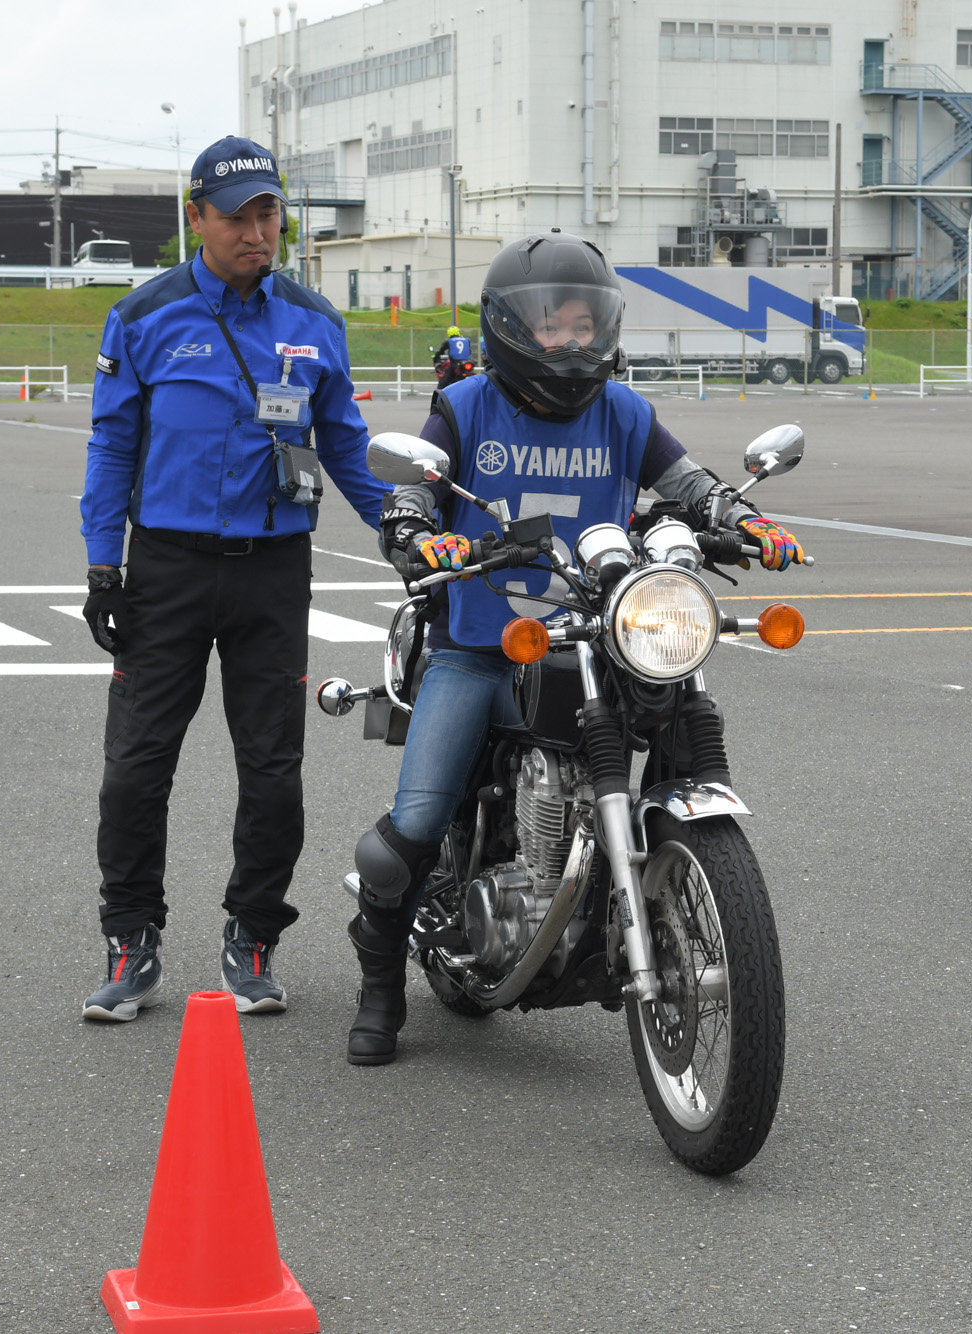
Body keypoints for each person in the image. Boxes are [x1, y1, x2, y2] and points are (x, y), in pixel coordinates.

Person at [341, 229, 804, 1065]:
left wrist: (745, 520)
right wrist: (417, 529)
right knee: (415, 822)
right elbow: (416, 485)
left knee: (682, 707)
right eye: (553, 325)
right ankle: (379, 985)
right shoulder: (469, 404)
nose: (572, 340)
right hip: (485, 643)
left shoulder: (624, 411)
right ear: (512, 328)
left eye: (586, 324)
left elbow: (688, 484)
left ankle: (658, 899)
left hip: (602, 632)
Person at [78, 135, 387, 1023]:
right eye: (238, 217)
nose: (258, 233)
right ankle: (130, 941)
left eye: (270, 215)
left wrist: (405, 532)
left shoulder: (314, 321)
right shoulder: (145, 317)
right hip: (165, 570)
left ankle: (253, 938)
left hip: (273, 573)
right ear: (197, 220)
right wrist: (104, 564)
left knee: (273, 770)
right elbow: (112, 445)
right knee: (134, 770)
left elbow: (347, 451)